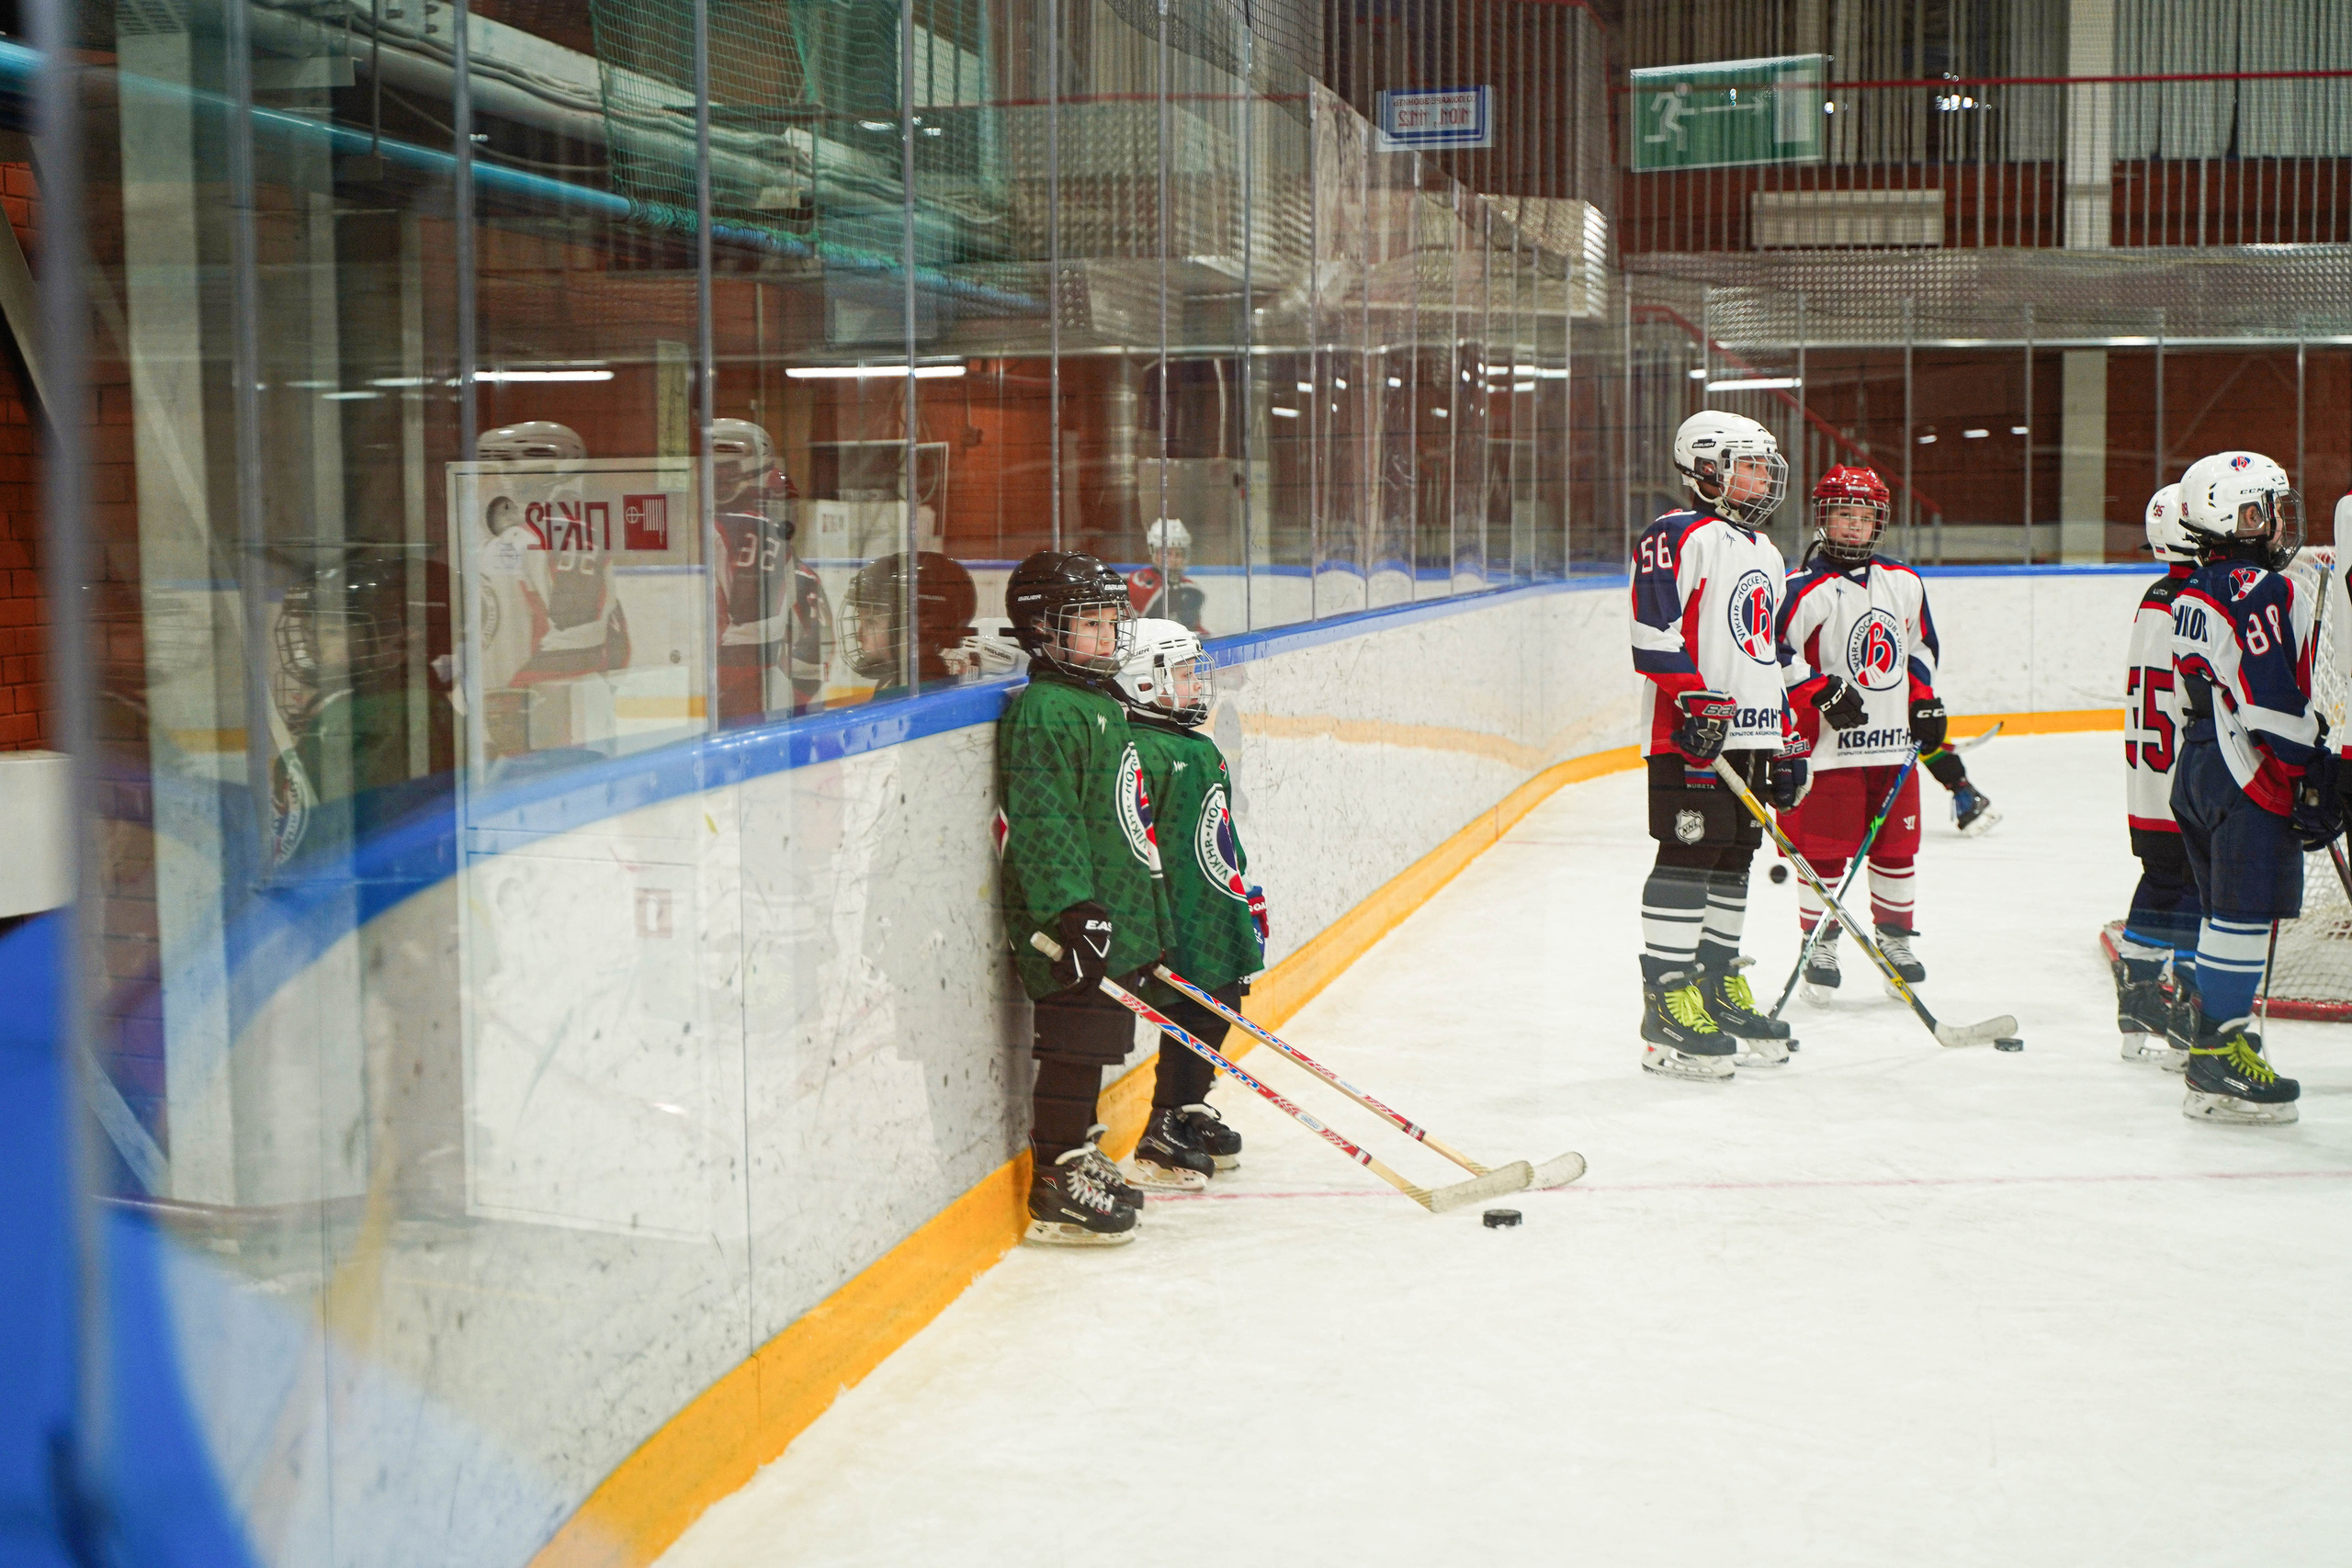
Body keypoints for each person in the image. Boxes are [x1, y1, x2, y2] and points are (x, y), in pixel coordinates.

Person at [1629, 410, 1813, 1080]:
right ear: (1707, 469)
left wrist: (1786, 737)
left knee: (1734, 856)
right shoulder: (1676, 535)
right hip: (1689, 735)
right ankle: (1666, 1000)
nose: (1764, 477)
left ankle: (1714, 983)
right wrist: (1697, 703)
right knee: (1687, 852)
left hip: (1752, 738)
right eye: (1750, 464)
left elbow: (1764, 655)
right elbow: (1653, 635)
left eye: (1767, 465)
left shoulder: (1766, 552)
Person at [995, 551, 1171, 1243]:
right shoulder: (1045, 710)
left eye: (1111, 622)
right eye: (1090, 624)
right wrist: (1073, 908)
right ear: (1041, 629)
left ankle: (1080, 1148)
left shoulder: (1098, 700)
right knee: (1070, 1042)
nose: (1108, 637)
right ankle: (1054, 1177)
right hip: (1069, 923)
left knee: (1099, 1039)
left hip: (1110, 911)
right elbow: (1044, 818)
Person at [2165, 449, 2331, 1124]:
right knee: (2242, 914)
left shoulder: (2191, 588)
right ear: (2226, 518)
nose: (2274, 524)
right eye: (2261, 510)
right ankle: (2218, 1057)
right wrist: (2311, 770)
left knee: (2221, 913)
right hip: (2247, 766)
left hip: (2200, 765)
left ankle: (2216, 1034)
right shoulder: (2264, 589)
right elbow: (2268, 698)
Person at [1775, 465, 1946, 1004]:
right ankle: (1819, 943)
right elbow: (1774, 656)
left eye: (1865, 516)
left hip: (1892, 746)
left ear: (1880, 522)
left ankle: (1896, 940)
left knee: (1897, 848)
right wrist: (1818, 688)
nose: (1854, 526)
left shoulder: (1904, 582)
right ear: (1824, 519)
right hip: (1828, 752)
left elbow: (1919, 649)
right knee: (1823, 853)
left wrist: (1925, 702)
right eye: (1844, 514)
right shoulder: (1803, 590)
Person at [1110, 619, 1266, 1190]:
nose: (1195, 686)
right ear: (1140, 681)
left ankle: (1191, 1107)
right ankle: (1164, 1123)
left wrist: (1239, 887)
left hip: (1210, 908)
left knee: (1221, 1005)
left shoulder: (1197, 747)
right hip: (1171, 915)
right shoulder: (1138, 749)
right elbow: (1131, 840)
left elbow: (1219, 831)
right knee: (1190, 1013)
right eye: (1179, 674)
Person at [2111, 482, 2202, 1066]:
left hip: (2148, 771)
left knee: (2161, 880)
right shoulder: (2199, 599)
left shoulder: (2156, 595)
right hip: (2185, 772)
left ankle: (2139, 1000)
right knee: (2201, 892)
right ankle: (2187, 1020)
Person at [477, 422, 633, 683]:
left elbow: (506, 640)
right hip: (591, 678)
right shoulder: (593, 536)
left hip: (533, 683)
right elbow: (617, 634)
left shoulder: (510, 545)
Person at [710, 418, 833, 724]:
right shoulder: (795, 565)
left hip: (733, 685)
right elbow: (818, 648)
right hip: (766, 687)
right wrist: (797, 702)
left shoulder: (715, 532)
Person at [841, 551, 978, 699]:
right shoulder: (900, 681)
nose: (860, 636)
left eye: (870, 622)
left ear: (923, 626)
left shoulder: (918, 693)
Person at [1127, 517, 1206, 635]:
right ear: (1153, 551)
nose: (1173, 559)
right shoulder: (1140, 582)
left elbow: (1195, 627)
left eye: (1179, 554)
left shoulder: (1192, 589)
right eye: (1167, 553)